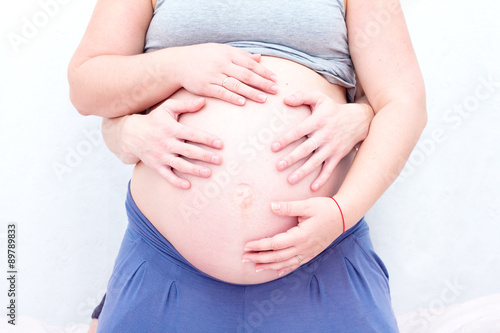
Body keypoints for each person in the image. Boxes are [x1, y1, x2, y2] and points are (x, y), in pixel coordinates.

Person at [68, 0, 427, 331]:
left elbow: (403, 102)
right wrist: (175, 65)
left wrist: (341, 212)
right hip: (167, 259)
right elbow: (85, 86)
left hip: (324, 250)